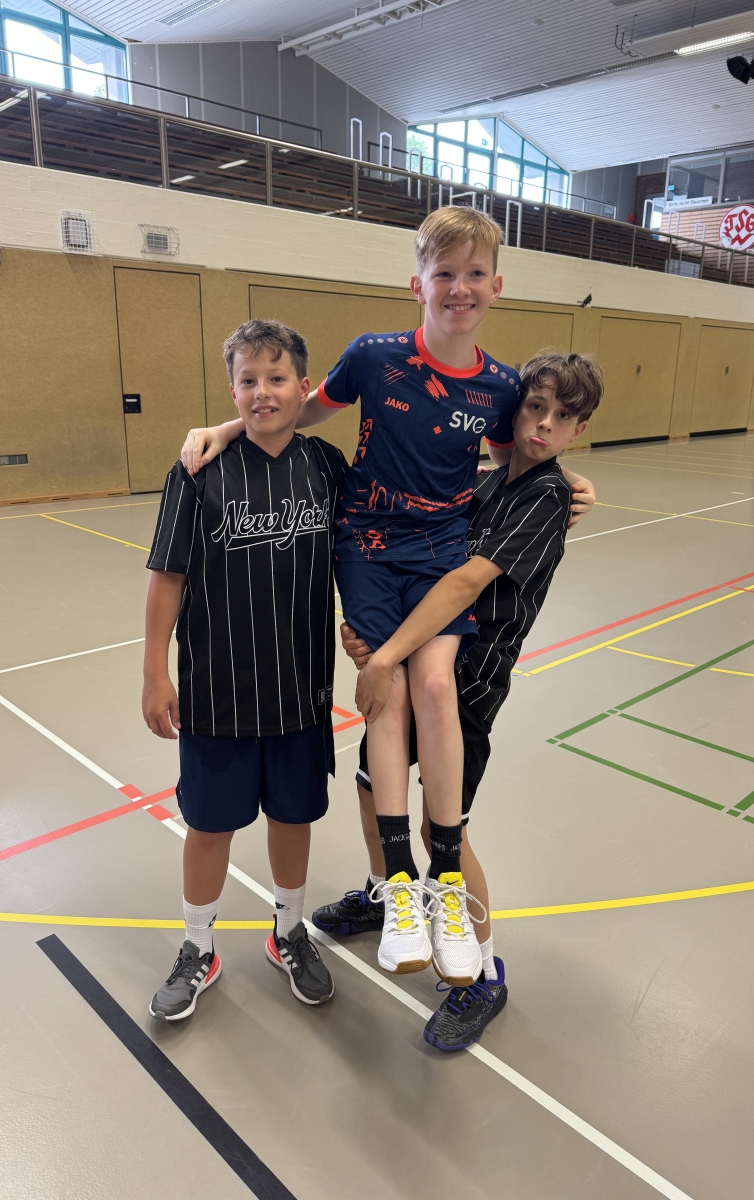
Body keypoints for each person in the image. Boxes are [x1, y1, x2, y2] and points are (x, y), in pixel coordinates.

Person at [179, 207, 596, 992]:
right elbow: (296, 411)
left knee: (430, 686)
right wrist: (224, 428)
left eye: (476, 275)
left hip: (441, 552)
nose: (460, 288)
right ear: (417, 284)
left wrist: (565, 477)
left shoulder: (503, 387)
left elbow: (514, 456)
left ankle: (443, 879)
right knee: (390, 704)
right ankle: (397, 885)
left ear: (497, 287)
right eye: (445, 274)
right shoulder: (375, 358)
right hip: (367, 545)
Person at [314, 351, 603, 1051]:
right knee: (370, 783)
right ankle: (389, 892)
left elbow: (462, 584)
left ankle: (485, 972)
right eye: (535, 408)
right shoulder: (489, 480)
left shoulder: (545, 497)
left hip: (465, 682)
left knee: (445, 827)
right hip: (416, 659)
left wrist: (385, 654)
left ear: (579, 429)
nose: (544, 425)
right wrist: (374, 632)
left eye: (563, 417)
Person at [142, 319, 347, 1021]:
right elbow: (167, 577)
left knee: (293, 816)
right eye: (248, 380)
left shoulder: (327, 467)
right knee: (210, 825)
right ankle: (198, 946)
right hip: (216, 691)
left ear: (302, 387)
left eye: (276, 378)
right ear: (232, 390)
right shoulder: (197, 471)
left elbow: (382, 536)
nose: (263, 392)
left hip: (301, 690)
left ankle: (288, 932)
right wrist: (155, 673)